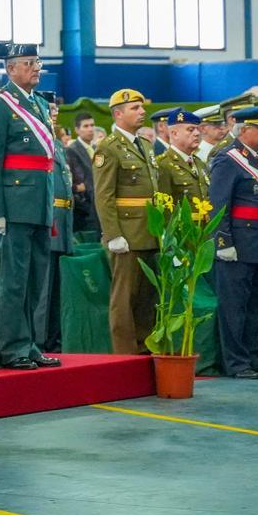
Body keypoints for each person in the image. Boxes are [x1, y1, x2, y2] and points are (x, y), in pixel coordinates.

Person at [0, 42, 60, 370]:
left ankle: (30, 344)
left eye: (38, 62)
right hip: (13, 204)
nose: (37, 68)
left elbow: (46, 161)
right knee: (14, 280)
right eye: (29, 63)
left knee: (36, 279)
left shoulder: (38, 103)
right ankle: (13, 348)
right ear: (11, 69)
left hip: (39, 203)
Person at [209, 106, 258, 379]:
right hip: (239, 244)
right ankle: (237, 362)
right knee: (235, 307)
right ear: (245, 130)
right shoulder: (227, 159)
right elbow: (218, 204)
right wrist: (223, 242)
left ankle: (256, 356)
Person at [93, 88, 158, 355]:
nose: (142, 112)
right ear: (118, 114)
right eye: (135, 108)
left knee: (147, 298)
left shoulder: (145, 145)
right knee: (124, 297)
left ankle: (144, 348)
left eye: (142, 107)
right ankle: (124, 353)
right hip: (127, 234)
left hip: (150, 231)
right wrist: (113, 234)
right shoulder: (109, 148)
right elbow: (104, 195)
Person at [35, 138, 74, 353]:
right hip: (48, 219)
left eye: (56, 110)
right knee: (43, 289)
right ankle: (39, 341)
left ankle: (53, 338)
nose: (54, 114)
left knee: (56, 289)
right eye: (50, 110)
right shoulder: (39, 138)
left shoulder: (56, 142)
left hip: (62, 220)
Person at [154, 108, 209, 209]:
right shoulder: (163, 164)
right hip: (180, 224)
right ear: (175, 134)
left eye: (198, 129)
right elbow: (163, 208)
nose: (197, 133)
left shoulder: (199, 163)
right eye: (190, 130)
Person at [65, 112, 98, 236]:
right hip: (84, 211)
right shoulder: (71, 151)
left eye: (92, 125)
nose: (90, 129)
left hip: (97, 207)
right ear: (77, 130)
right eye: (86, 126)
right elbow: (73, 182)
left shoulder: (96, 149)